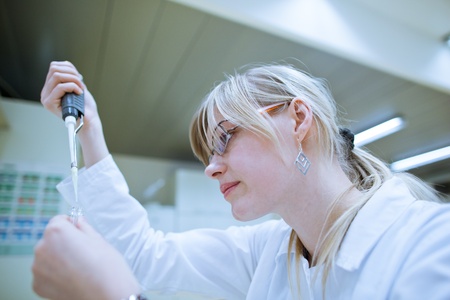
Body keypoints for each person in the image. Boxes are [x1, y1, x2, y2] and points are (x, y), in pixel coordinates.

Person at [32, 61, 450, 300]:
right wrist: (90, 130)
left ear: (299, 119)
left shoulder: (430, 243)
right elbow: (144, 254)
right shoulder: (267, 252)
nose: (211, 167)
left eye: (224, 139)